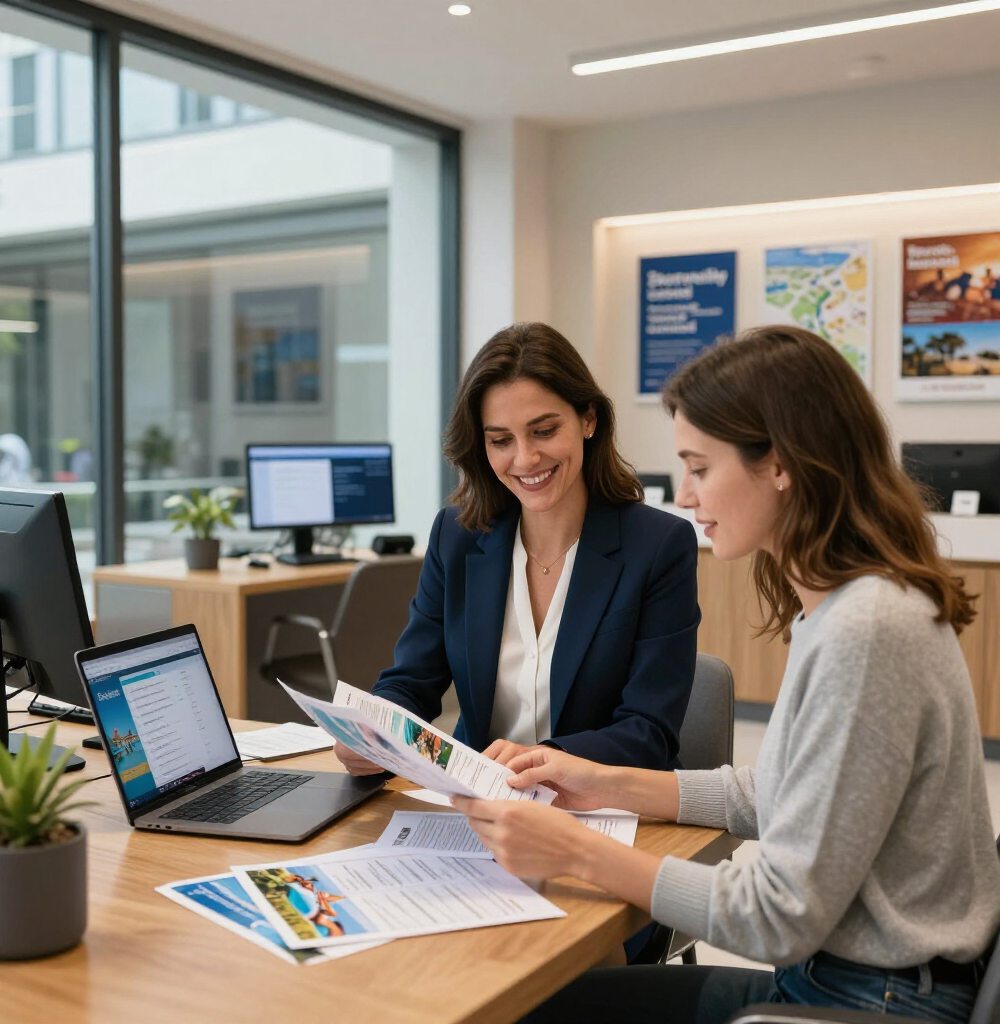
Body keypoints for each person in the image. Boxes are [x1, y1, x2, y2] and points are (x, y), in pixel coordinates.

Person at [453, 325, 1000, 1024]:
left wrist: (574, 850)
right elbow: (777, 791)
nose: (685, 495)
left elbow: (777, 917)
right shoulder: (843, 605)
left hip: (870, 1001)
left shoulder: (868, 630)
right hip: (848, 983)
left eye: (700, 467)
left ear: (780, 464)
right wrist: (597, 779)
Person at [335, 321, 699, 775]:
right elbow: (412, 681)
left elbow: (650, 732)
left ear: (589, 419)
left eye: (543, 431)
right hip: (480, 802)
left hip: (600, 805)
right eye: (501, 441)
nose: (524, 459)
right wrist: (374, 730)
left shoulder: (658, 546)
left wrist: (546, 759)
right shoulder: (457, 535)